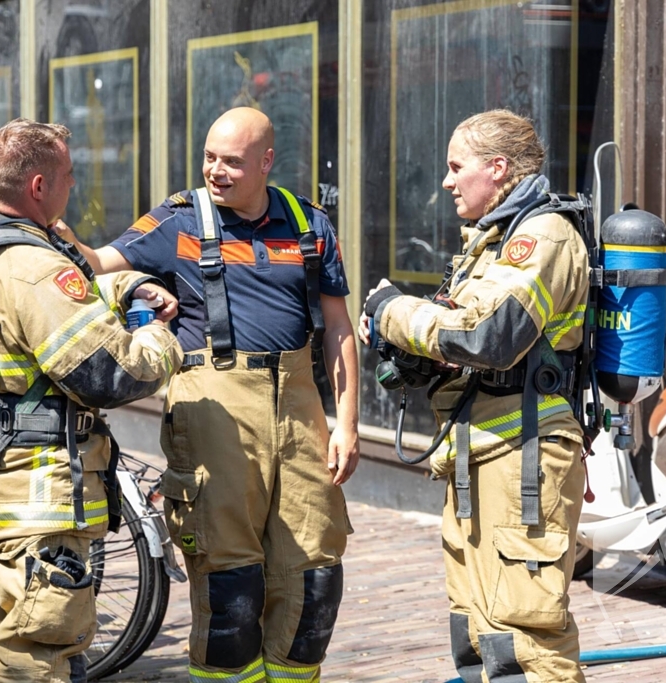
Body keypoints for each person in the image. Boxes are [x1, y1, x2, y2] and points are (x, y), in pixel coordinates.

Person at [59, 107, 360, 682]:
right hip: (215, 406)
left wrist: (346, 424)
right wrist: (52, 221)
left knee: (315, 577)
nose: (216, 171)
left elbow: (338, 329)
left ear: (267, 162)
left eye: (232, 162)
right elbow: (96, 265)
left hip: (299, 408)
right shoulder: (177, 222)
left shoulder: (309, 224)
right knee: (231, 584)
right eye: (209, 158)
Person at [360, 110, 589, 682]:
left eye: (455, 167)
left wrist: (390, 311)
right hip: (479, 450)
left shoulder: (543, 237)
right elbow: (460, 332)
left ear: (497, 168)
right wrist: (415, 340)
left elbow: (487, 338)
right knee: (476, 631)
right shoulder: (490, 241)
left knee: (525, 637)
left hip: (523, 460)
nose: (446, 181)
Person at [0, 119, 182, 683]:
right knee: (42, 662)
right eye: (67, 175)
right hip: (42, 512)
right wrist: (158, 337)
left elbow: (67, 298)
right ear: (37, 186)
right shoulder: (35, 268)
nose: (73, 185)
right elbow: (109, 374)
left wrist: (127, 284)